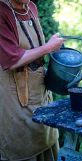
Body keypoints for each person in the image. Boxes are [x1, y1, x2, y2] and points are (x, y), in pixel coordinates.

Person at [0, 0, 64, 160]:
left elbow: (35, 49)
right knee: (22, 146)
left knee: (47, 138)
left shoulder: (32, 8)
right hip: (15, 96)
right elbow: (12, 60)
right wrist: (49, 47)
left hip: (40, 90)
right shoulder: (2, 11)